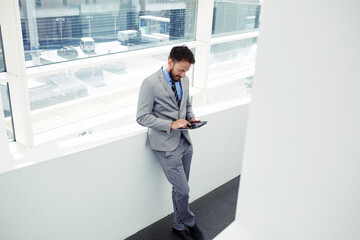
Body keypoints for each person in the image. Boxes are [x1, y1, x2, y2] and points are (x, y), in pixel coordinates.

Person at [136, 46, 205, 240]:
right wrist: (171, 124)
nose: (183, 75)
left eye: (186, 71)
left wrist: (191, 118)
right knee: (183, 190)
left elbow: (187, 105)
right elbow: (142, 117)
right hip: (166, 146)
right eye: (180, 70)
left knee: (180, 190)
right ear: (169, 62)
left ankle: (178, 225)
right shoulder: (150, 83)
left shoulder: (185, 79)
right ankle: (189, 222)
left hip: (185, 142)